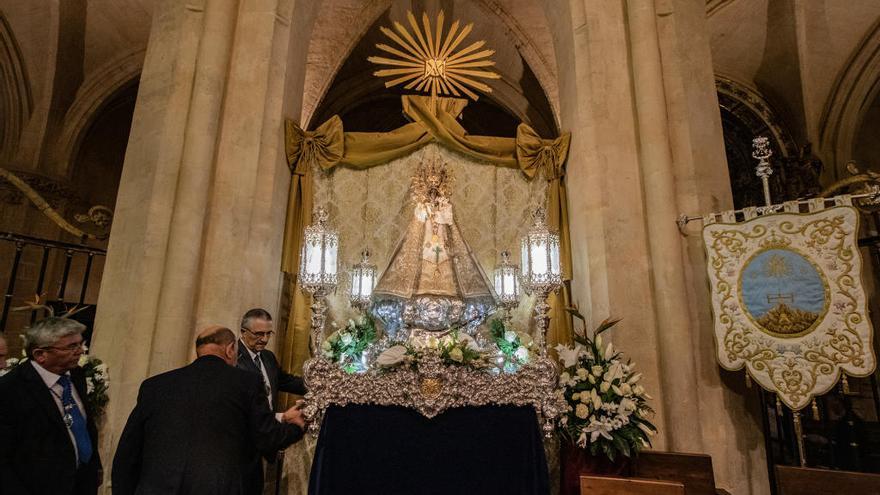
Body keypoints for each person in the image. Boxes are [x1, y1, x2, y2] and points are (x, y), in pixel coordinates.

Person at [112, 326, 306, 495]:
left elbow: (128, 452)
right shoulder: (247, 383)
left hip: (158, 488)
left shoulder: (155, 385)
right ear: (230, 349)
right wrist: (297, 426)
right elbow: (267, 438)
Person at [0, 317, 102, 494]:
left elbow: (85, 427)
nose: (80, 351)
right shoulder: (10, 389)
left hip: (81, 483)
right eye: (72, 346)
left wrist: (95, 467)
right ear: (40, 355)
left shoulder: (76, 375)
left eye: (81, 343)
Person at [237, 308, 306, 408]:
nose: (265, 339)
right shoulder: (233, 357)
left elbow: (286, 381)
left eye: (268, 333)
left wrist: (319, 385)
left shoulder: (268, 356)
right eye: (259, 334)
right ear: (243, 332)